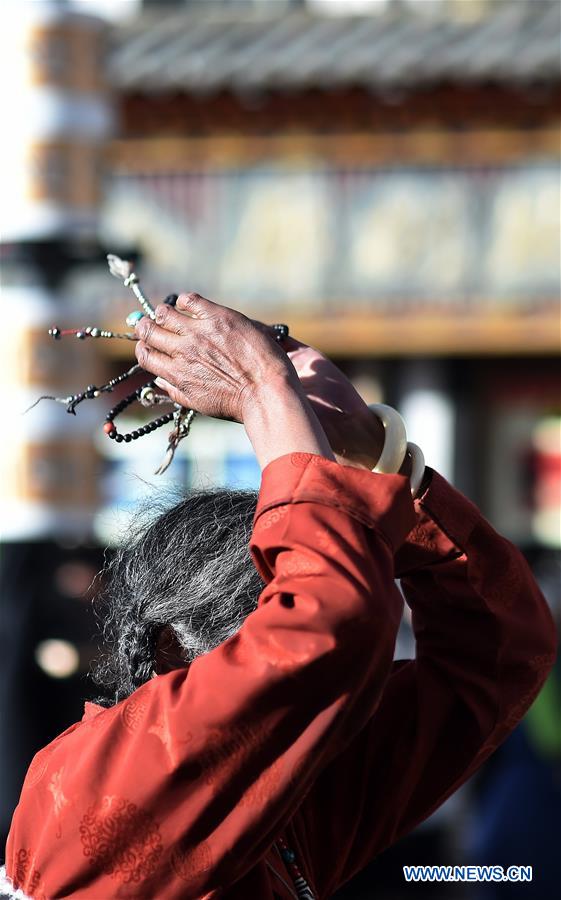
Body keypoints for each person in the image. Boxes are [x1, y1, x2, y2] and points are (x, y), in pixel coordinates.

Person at [2, 294, 556, 899]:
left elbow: (495, 656)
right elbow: (331, 624)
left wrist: (376, 454)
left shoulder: (287, 779)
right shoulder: (94, 776)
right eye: (267, 617)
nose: (303, 662)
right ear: (170, 650)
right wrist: (263, 388)